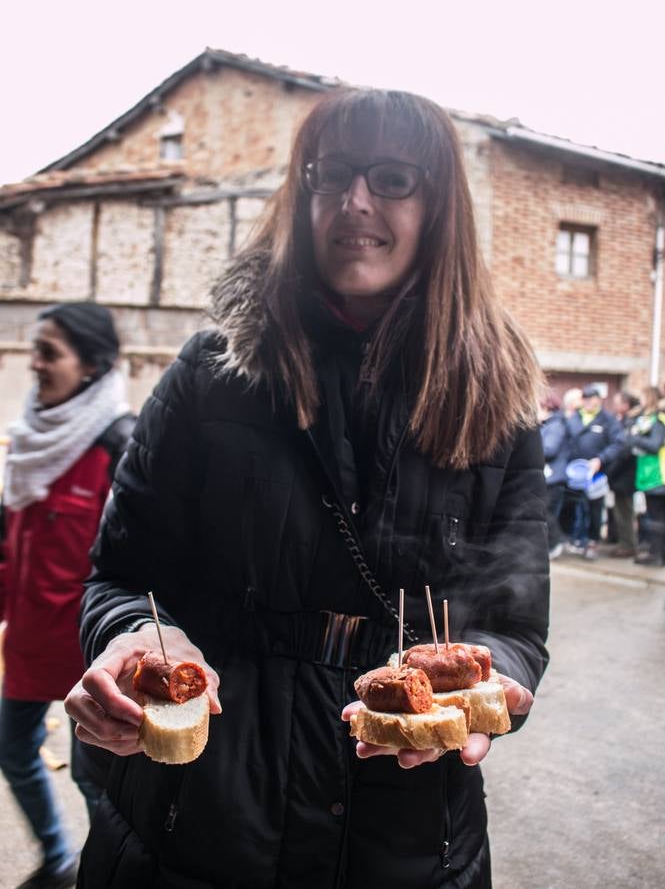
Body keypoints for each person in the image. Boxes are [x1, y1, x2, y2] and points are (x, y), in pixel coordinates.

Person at [64, 89, 550, 889]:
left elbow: (514, 624)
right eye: (332, 175)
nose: (356, 200)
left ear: (439, 207)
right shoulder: (209, 375)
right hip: (198, 815)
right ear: (304, 194)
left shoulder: (494, 399)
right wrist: (130, 642)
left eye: (393, 178)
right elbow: (120, 577)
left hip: (407, 832)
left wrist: (488, 676)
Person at [0, 302, 135, 889]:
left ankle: (99, 870)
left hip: (89, 652)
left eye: (50, 352)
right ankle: (59, 859)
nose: (36, 363)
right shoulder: (31, 439)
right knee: (12, 750)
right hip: (30, 641)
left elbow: (134, 566)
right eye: (37, 349)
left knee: (95, 779)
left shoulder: (119, 446)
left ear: (91, 365)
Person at [565, 384, 623, 560]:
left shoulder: (608, 420)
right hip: (574, 474)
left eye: (592, 398)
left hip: (597, 475)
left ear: (599, 399)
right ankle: (575, 539)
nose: (589, 401)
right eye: (586, 398)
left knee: (595, 508)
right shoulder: (574, 418)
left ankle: (592, 542)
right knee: (575, 507)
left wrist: (601, 459)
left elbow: (618, 443)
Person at [630, 386, 665, 566]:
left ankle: (656, 554)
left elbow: (655, 444)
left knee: (656, 518)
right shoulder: (647, 418)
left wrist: (635, 437)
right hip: (651, 475)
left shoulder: (658, 420)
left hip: (658, 477)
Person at [605, 391, 639, 557]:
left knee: (624, 511)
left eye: (617, 402)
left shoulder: (631, 423)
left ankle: (628, 545)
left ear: (626, 405)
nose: (614, 405)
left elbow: (625, 450)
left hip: (625, 476)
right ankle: (623, 542)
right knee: (620, 511)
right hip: (620, 476)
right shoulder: (622, 421)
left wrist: (611, 470)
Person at [538, 391, 569, 559]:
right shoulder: (549, 424)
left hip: (553, 478)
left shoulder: (556, 425)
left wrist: (531, 450)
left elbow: (550, 449)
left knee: (546, 513)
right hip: (549, 477)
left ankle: (556, 543)